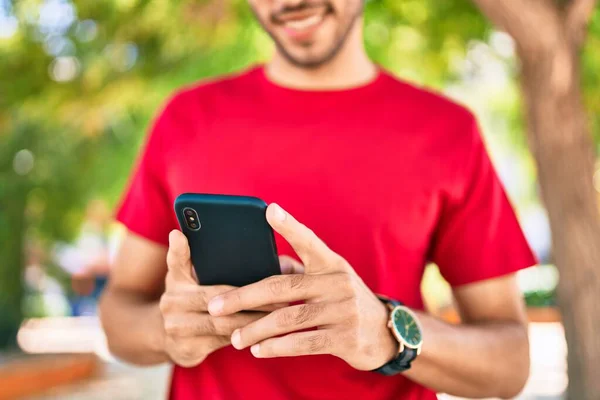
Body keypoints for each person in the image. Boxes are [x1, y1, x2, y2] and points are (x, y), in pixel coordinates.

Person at [99, 0, 537, 399]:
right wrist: (166, 331)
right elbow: (119, 311)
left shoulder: (448, 133)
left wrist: (388, 331)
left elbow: (509, 363)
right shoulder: (184, 120)